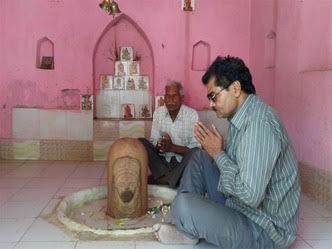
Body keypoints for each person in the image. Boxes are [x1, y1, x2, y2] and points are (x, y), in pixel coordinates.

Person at [153, 56, 301, 249]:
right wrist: (217, 152)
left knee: (182, 205)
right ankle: (190, 229)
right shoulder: (241, 117)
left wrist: (218, 154)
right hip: (244, 209)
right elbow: (239, 169)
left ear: (236, 89)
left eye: (214, 96)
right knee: (199, 157)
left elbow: (251, 196)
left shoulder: (259, 125)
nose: (211, 104)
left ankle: (190, 222)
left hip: (264, 229)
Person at [139, 80, 200, 188]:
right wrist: (159, 146)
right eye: (167, 96)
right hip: (162, 163)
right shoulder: (158, 113)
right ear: (164, 98)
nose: (170, 100)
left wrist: (172, 147)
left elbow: (195, 147)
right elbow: (154, 143)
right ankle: (173, 179)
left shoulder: (192, 115)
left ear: (182, 98)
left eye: (174, 96)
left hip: (181, 164)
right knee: (141, 142)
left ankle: (164, 179)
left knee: (196, 152)